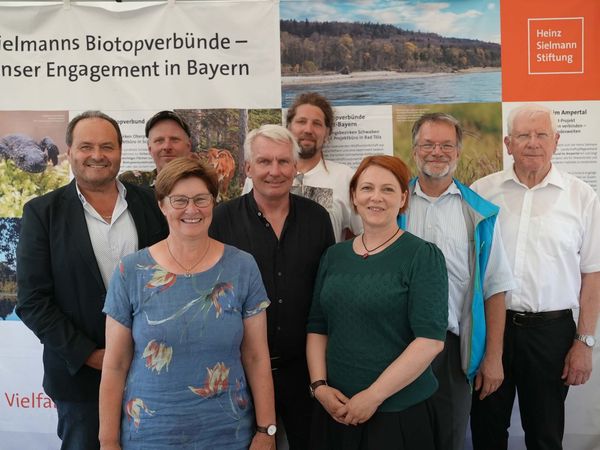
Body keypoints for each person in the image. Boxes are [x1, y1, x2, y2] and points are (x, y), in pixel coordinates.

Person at [16, 111, 168, 450]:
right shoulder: (43, 213)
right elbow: (32, 301)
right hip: (81, 382)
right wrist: (93, 356)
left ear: (120, 152)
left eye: (106, 146)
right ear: (69, 152)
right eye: (86, 146)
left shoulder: (152, 204)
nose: (97, 155)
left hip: (153, 371)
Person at [99, 157, 276, 450]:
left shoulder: (243, 267)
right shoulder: (130, 271)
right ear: (162, 205)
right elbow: (115, 364)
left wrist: (266, 430)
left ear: (213, 203)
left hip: (228, 434)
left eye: (201, 199)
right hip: (150, 435)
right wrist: (108, 441)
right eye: (179, 200)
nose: (191, 209)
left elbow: (257, 356)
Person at [470, 103, 600, 450]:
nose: (533, 142)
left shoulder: (582, 197)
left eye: (541, 134)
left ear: (556, 141)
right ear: (507, 143)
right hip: (491, 330)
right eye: (523, 135)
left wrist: (584, 343)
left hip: (551, 334)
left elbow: (592, 274)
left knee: (544, 436)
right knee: (486, 432)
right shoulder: (482, 193)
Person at [307, 155, 448, 450]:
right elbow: (318, 327)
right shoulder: (335, 256)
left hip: (397, 414)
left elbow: (430, 341)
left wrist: (373, 396)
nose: (376, 197)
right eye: (367, 188)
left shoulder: (421, 256)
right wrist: (319, 387)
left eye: (387, 189)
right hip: (335, 409)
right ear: (354, 197)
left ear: (403, 198)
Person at [210, 124, 335, 450]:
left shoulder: (317, 219)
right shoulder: (221, 220)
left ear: (296, 167)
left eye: (283, 162)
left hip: (305, 372)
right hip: (240, 373)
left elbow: (326, 297)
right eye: (264, 162)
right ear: (249, 167)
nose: (275, 171)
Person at [397, 113, 514, 450]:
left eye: (447, 145)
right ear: (415, 151)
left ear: (458, 152)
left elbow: (494, 288)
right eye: (428, 144)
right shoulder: (393, 204)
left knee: (449, 439)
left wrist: (493, 357)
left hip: (453, 350)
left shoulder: (480, 213)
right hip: (397, 344)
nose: (438, 152)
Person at [243, 92, 362, 242]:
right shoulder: (261, 176)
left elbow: (362, 233)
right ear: (288, 127)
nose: (308, 130)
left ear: (327, 132)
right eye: (301, 121)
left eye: (317, 124)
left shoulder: (345, 177)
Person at [119, 110, 192, 187]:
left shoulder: (204, 184)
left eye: (174, 139)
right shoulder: (129, 183)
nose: (167, 147)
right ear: (149, 148)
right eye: (159, 140)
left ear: (188, 146)